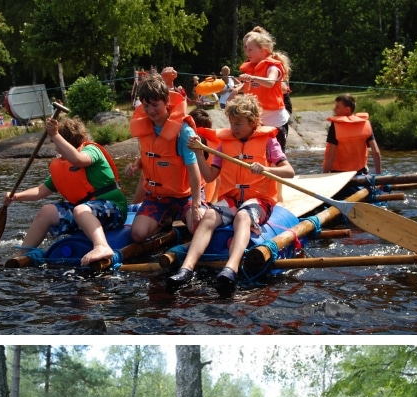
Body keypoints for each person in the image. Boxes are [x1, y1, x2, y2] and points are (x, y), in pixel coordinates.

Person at [168, 94, 294, 296]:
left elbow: (289, 171)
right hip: (233, 199)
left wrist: (265, 169)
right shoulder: (224, 143)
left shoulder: (269, 143)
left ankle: (231, 268)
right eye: (232, 123)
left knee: (244, 216)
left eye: (239, 124)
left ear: (253, 122)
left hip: (259, 200)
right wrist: (200, 154)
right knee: (209, 215)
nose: (234, 128)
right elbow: (209, 176)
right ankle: (186, 268)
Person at [3, 116, 127, 265]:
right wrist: (15, 196)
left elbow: (78, 160)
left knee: (81, 210)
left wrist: (55, 135)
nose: (55, 148)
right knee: (46, 211)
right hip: (84, 212)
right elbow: (40, 191)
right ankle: (22, 253)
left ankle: (102, 246)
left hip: (114, 210)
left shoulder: (91, 150)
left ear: (65, 141)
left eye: (56, 143)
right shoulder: (62, 166)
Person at [126, 73, 204, 243]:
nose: (151, 111)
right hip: (158, 197)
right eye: (146, 106)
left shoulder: (183, 131)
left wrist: (197, 204)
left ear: (166, 101)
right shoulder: (145, 128)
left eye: (155, 105)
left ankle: (185, 217)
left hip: (185, 196)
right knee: (137, 234)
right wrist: (136, 165)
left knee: (197, 227)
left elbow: (193, 170)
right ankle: (165, 220)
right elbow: (149, 158)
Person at [238, 26, 288, 150]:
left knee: (276, 157)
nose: (247, 53)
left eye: (250, 50)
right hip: (258, 119)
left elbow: (270, 82)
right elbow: (251, 89)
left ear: (263, 50)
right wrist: (238, 88)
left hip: (275, 122)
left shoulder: (272, 67)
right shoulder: (253, 69)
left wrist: (251, 78)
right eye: (246, 49)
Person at [322, 93, 381, 175]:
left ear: (347, 110)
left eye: (337, 107)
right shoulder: (365, 124)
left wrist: (324, 175)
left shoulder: (335, 126)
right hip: (360, 172)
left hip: (338, 174)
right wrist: (379, 175)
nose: (334, 109)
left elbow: (330, 156)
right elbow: (376, 152)